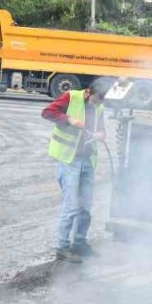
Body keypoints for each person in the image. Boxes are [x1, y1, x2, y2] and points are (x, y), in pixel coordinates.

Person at [42, 78, 112, 263]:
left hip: (87, 160)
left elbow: (102, 129)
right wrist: (69, 119)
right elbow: (47, 112)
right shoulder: (70, 97)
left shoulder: (99, 107)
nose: (98, 103)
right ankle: (62, 247)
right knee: (71, 206)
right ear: (89, 93)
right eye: (97, 99)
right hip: (69, 159)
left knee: (85, 207)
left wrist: (101, 134)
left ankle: (80, 243)